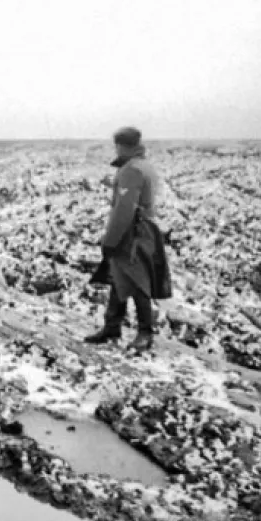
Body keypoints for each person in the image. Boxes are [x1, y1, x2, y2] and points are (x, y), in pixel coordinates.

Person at [84, 126, 172, 352]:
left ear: (122, 146)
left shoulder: (131, 170)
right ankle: (112, 326)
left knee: (137, 280)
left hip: (133, 233)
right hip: (143, 229)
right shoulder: (144, 166)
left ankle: (145, 332)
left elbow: (124, 210)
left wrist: (110, 240)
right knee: (118, 276)